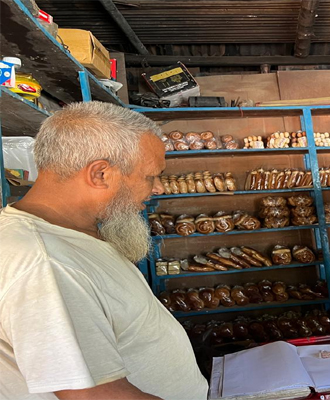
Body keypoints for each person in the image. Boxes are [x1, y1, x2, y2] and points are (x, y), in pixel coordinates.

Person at [0, 102, 208, 399]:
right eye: (150, 176)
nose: (159, 188)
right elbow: (96, 395)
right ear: (100, 174)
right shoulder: (45, 264)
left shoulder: (76, 232)